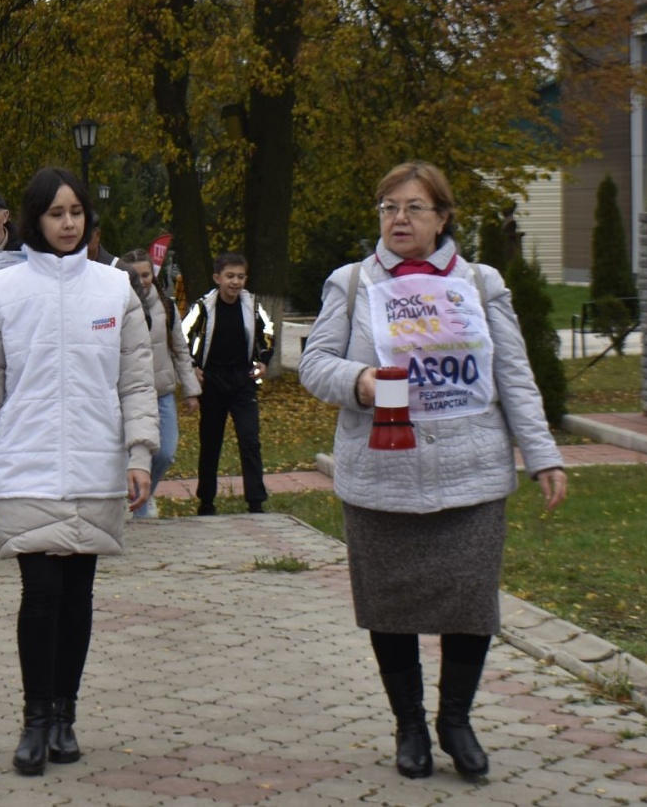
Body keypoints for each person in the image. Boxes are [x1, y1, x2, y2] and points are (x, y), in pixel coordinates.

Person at [298, 161, 567, 781]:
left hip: (471, 474)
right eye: (389, 207)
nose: (399, 219)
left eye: (414, 207)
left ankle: (456, 721)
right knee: (389, 607)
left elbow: (514, 374)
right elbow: (314, 365)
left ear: (443, 217)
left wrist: (543, 454)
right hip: (381, 476)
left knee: (470, 605)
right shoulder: (351, 283)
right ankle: (410, 726)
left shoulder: (481, 282)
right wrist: (360, 381)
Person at [0, 166, 158, 776]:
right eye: (55, 213)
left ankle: (66, 715)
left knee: (77, 597)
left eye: (76, 212)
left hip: (97, 464)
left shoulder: (115, 289)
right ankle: (35, 718)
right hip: (26, 463)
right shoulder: (3, 291)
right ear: (35, 220)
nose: (68, 223)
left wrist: (140, 454)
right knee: (40, 594)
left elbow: (137, 383)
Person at [181, 253, 273, 515]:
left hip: (243, 381)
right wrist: (192, 367)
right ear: (217, 278)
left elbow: (268, 332)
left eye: (240, 277)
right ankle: (206, 501)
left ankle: (256, 502)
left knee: (250, 440)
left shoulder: (252, 306)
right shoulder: (203, 307)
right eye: (230, 276)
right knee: (211, 442)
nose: (235, 282)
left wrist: (264, 360)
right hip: (213, 382)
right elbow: (182, 336)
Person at [121, 250, 200, 517]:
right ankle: (137, 505)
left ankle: (146, 493)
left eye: (145, 275)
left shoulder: (166, 306)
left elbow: (180, 349)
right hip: (129, 395)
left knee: (165, 452)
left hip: (162, 392)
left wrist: (191, 390)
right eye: (135, 276)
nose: (141, 281)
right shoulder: (117, 305)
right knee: (133, 453)